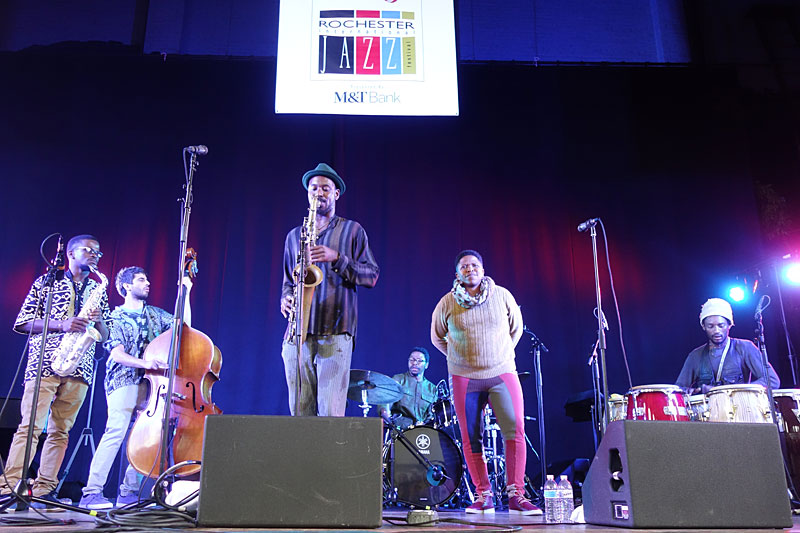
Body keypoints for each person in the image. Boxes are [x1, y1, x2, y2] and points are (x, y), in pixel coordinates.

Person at [2, 235, 111, 509]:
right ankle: (8, 487)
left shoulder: (99, 289)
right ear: (71, 253)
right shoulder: (45, 283)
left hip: (80, 366)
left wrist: (98, 321)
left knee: (61, 431)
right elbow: (24, 321)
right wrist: (61, 325)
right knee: (30, 427)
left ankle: (44, 489)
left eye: (98, 252)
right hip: (44, 363)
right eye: (89, 250)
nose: (95, 255)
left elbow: (105, 334)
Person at [431, 250, 541, 515]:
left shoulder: (502, 295)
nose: (470, 269)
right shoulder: (446, 303)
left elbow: (516, 329)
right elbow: (437, 338)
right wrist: (461, 359)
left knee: (515, 432)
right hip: (464, 378)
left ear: (482, 269)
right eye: (464, 266)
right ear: (457, 274)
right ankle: (484, 496)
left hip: (501, 373)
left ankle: (517, 495)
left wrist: (499, 356)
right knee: (471, 438)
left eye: (475, 265)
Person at [78, 267, 192, 510]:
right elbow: (117, 354)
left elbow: (184, 328)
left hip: (151, 384)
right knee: (116, 431)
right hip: (123, 379)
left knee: (145, 437)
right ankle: (91, 493)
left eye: (147, 278)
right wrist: (145, 363)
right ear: (127, 286)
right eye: (141, 279)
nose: (148, 282)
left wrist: (186, 292)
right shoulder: (114, 317)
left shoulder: (155, 314)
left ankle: (128, 492)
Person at [280, 163, 379, 416]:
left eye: (325, 188)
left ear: (336, 194)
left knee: (330, 415)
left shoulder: (353, 230)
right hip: (298, 333)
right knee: (300, 413)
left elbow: (372, 275)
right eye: (313, 188)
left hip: (336, 332)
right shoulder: (295, 236)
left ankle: (329, 457)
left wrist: (337, 258)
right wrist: (287, 298)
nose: (318, 193)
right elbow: (288, 282)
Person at [676, 297, 779, 395]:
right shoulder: (695, 356)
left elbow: (771, 380)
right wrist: (691, 391)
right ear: (703, 326)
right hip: (707, 412)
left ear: (729, 325)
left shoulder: (744, 347)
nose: (716, 331)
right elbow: (678, 390)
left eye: (721, 325)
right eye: (710, 326)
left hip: (741, 409)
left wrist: (736, 391)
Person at [379, 347, 437, 429]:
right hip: (400, 429)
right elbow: (385, 402)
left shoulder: (432, 389)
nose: (415, 363)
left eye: (419, 360)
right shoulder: (398, 379)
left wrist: (425, 424)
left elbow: (432, 416)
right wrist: (385, 413)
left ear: (426, 365)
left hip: (421, 432)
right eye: (412, 360)